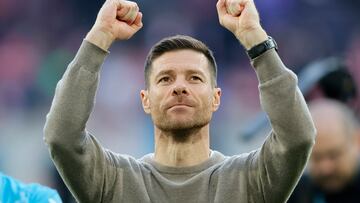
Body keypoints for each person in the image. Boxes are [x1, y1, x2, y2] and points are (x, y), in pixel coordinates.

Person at [43, 0, 316, 202]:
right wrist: (100, 35)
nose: (180, 87)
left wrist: (255, 38)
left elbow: (297, 138)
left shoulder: (249, 179)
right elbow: (62, 137)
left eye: (195, 78)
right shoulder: (115, 180)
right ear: (145, 100)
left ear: (216, 99)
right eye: (165, 79)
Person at [288, 99, 360, 203]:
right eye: (316, 158)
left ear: (357, 140)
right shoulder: (294, 192)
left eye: (334, 155)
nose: (325, 168)